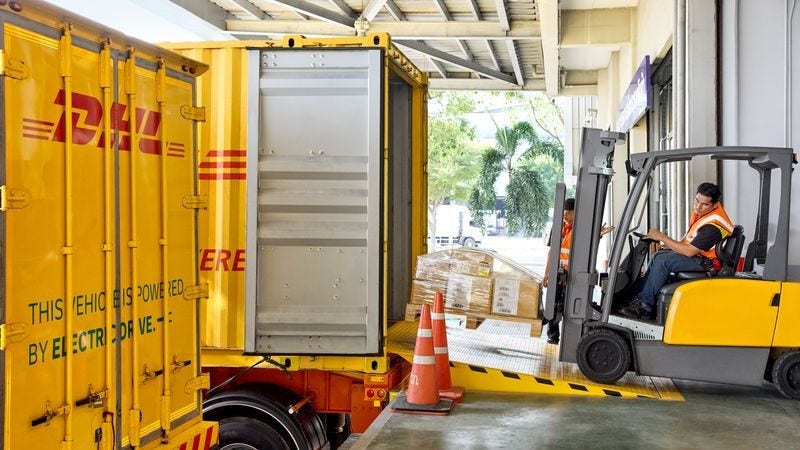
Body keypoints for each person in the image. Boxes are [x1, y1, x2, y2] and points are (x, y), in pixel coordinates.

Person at [619, 182, 734, 320]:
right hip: (699, 257)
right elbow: (688, 242)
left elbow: (690, 251)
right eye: (697, 201)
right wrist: (669, 244)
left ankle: (644, 307)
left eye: (704, 204)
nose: (698, 206)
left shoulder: (714, 225)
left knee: (663, 261)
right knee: (658, 255)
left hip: (707, 264)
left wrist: (662, 237)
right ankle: (637, 297)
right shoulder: (704, 214)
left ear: (715, 205)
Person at [542, 198, 612, 344]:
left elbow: (588, 246)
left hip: (574, 275)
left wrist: (597, 235)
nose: (565, 216)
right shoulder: (557, 228)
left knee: (569, 306)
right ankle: (552, 337)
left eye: (568, 213)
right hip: (558, 273)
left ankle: (573, 338)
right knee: (553, 304)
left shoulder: (581, 230)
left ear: (575, 213)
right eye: (564, 213)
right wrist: (546, 273)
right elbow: (551, 252)